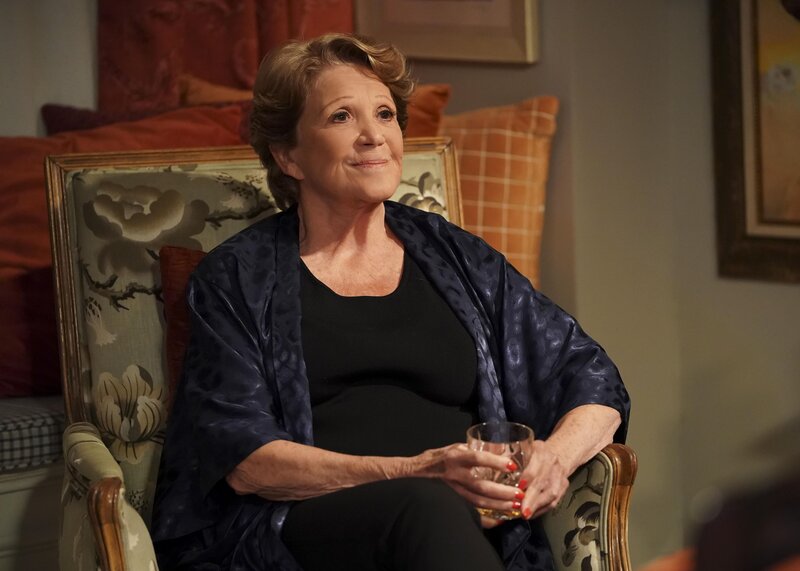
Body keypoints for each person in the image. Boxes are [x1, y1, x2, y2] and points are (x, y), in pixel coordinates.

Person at [151, 33, 630, 571]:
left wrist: (554, 458)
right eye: (341, 117)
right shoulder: (237, 277)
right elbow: (244, 459)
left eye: (384, 114)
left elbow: (591, 375)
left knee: (438, 512)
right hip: (308, 527)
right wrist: (418, 470)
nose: (373, 136)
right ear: (289, 156)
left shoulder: (456, 256)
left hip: (467, 521)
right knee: (426, 506)